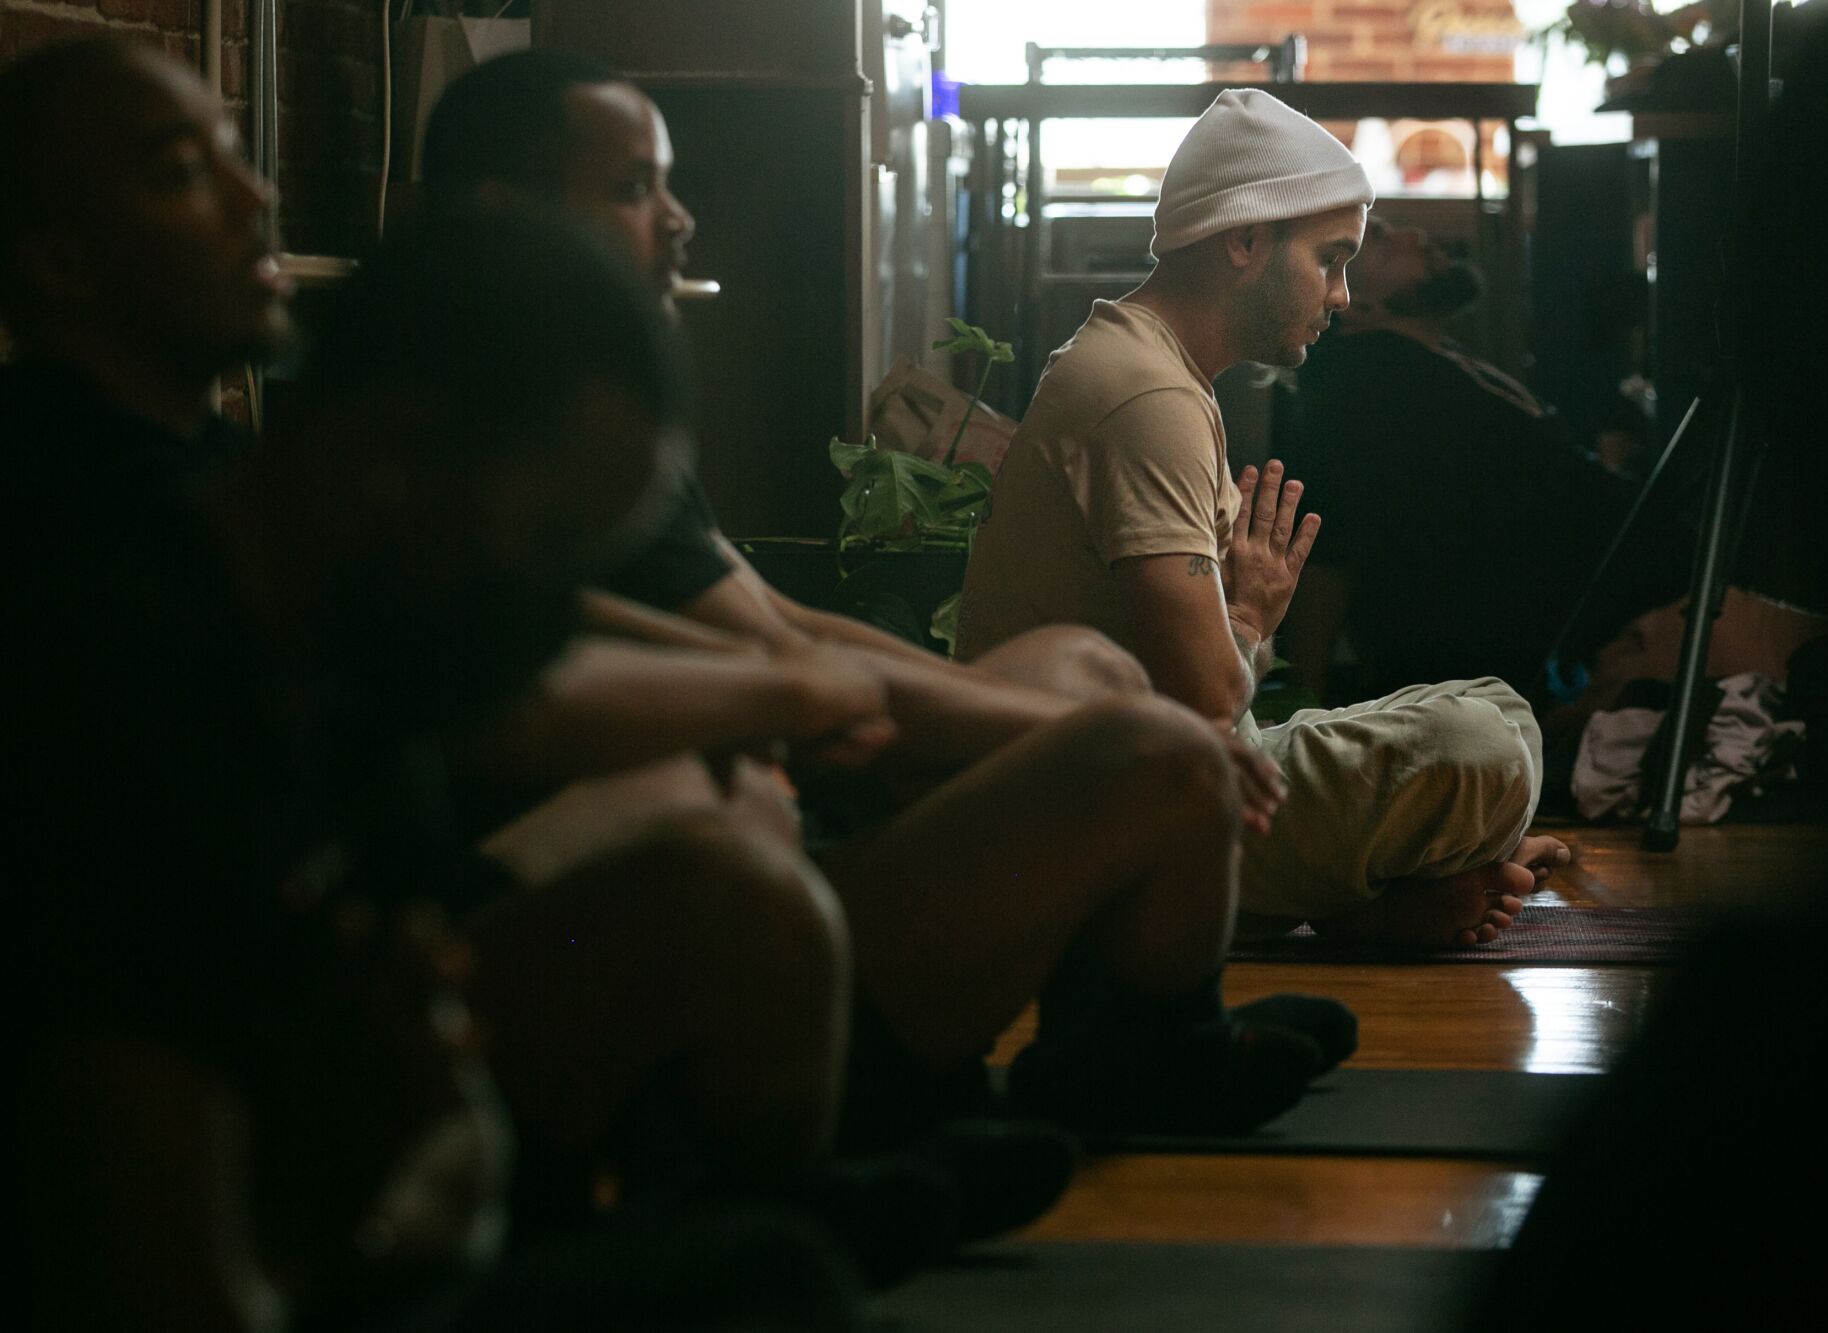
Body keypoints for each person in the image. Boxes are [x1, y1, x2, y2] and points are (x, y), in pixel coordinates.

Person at [0, 40, 862, 1326]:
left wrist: (429, 1126)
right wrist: (387, 1186)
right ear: (399, 462)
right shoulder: (111, 650)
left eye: (242, 154)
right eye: (524, 552)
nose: (258, 202)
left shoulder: (279, 573)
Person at [420, 52, 1359, 1142]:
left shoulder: (592, 415)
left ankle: (1128, 1039)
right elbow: (758, 673)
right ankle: (957, 1088)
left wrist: (1071, 712)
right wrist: (1110, 723)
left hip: (778, 807)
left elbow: (775, 631)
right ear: (502, 218)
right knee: (1168, 744)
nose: (680, 222)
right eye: (633, 190)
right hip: (681, 889)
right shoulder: (459, 438)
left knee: (1089, 669)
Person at [957, 90, 1569, 947]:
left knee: (1502, 712)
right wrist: (1248, 614)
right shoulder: (1145, 394)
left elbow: (1220, 691)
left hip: (1179, 775)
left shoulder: (1156, 371)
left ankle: (1384, 884)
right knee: (1480, 750)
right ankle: (1364, 894)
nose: (1345, 296)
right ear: (1244, 239)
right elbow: (1208, 700)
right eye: (1330, 258)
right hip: (1113, 812)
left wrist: (1245, 621)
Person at [1270, 216, 1664, 706]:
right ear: (1355, 304)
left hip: (1605, 632)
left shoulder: (1428, 359)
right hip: (1521, 686)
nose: (1416, 234)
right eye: (1383, 241)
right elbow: (1328, 557)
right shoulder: (1368, 396)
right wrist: (1297, 709)